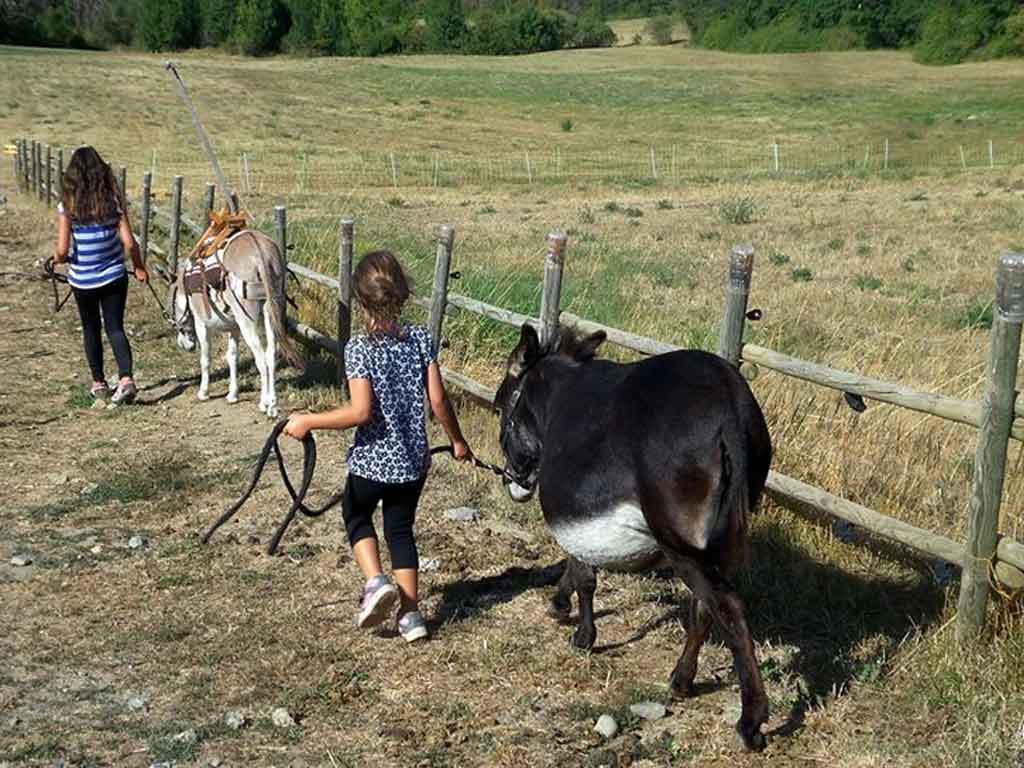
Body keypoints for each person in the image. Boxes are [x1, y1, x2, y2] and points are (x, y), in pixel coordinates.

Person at [284, 250, 473, 643]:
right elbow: (438, 401)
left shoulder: (359, 348)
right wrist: (457, 441)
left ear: (360, 300)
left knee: (355, 515)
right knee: (400, 531)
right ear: (402, 294)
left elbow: (360, 411)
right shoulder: (421, 339)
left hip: (372, 463)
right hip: (412, 463)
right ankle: (411, 616)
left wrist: (307, 420)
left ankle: (375, 582)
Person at [54, 146, 148, 404]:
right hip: (115, 276)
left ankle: (99, 383)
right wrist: (139, 267)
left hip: (83, 280)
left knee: (90, 328)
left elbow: (62, 250)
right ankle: (126, 378)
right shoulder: (113, 201)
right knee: (115, 327)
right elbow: (129, 243)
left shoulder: (68, 205)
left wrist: (58, 259)